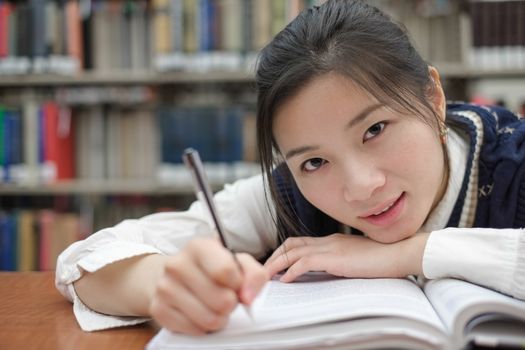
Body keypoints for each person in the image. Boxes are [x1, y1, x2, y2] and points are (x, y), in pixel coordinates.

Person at [56, 0, 525, 336]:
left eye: (376, 129)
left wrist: (411, 254)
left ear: (433, 99)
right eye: (315, 161)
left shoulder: (512, 159)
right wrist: (163, 286)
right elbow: (83, 262)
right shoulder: (286, 194)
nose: (361, 188)